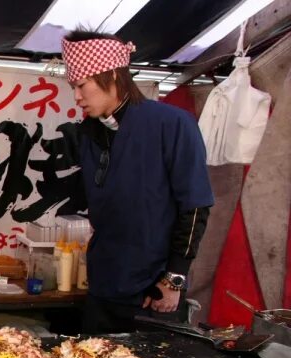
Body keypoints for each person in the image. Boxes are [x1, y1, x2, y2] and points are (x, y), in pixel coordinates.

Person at [61, 29, 213, 334]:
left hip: (153, 291)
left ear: (111, 75)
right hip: (103, 286)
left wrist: (174, 278)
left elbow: (195, 207)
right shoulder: (90, 134)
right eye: (72, 87)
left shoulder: (172, 124)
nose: (76, 97)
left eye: (81, 85)